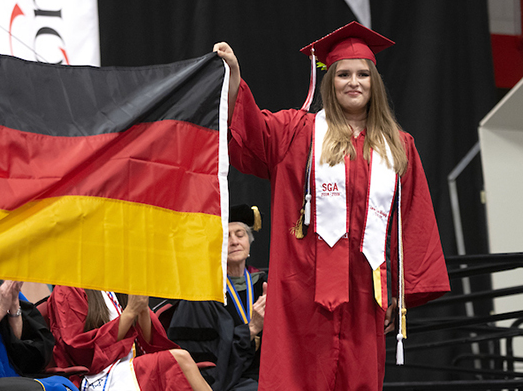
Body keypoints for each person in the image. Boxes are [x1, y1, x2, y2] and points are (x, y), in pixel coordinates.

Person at [214, 21, 450, 390]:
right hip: (301, 293)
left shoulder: (398, 147)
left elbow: (413, 221)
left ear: (374, 83)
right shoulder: (298, 132)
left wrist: (399, 295)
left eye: (362, 74)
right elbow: (252, 135)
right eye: (343, 74)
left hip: (363, 295)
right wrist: (234, 81)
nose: (353, 81)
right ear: (330, 81)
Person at [165, 204, 267, 391]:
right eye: (226, 236)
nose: (234, 241)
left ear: (249, 241)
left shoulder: (266, 285)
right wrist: (251, 329)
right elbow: (205, 367)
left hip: (268, 374)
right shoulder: (201, 295)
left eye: (240, 234)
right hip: (229, 384)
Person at [47, 286, 213, 391]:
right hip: (96, 377)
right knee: (180, 359)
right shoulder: (68, 288)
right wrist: (130, 312)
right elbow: (81, 352)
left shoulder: (119, 284)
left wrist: (141, 310)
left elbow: (149, 344)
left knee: (178, 360)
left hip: (130, 365)